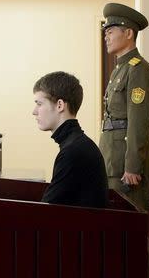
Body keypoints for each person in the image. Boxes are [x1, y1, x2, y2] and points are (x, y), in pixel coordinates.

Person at [99, 3, 149, 278]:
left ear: (128, 33)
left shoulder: (138, 69)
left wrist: (133, 165)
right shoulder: (120, 68)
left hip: (127, 164)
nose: (106, 35)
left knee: (132, 234)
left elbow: (138, 120)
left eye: (111, 30)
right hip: (113, 159)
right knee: (117, 232)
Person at [32, 71, 108, 208]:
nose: (34, 111)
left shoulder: (73, 151)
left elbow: (45, 210)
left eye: (39, 104)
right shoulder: (76, 143)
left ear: (60, 105)